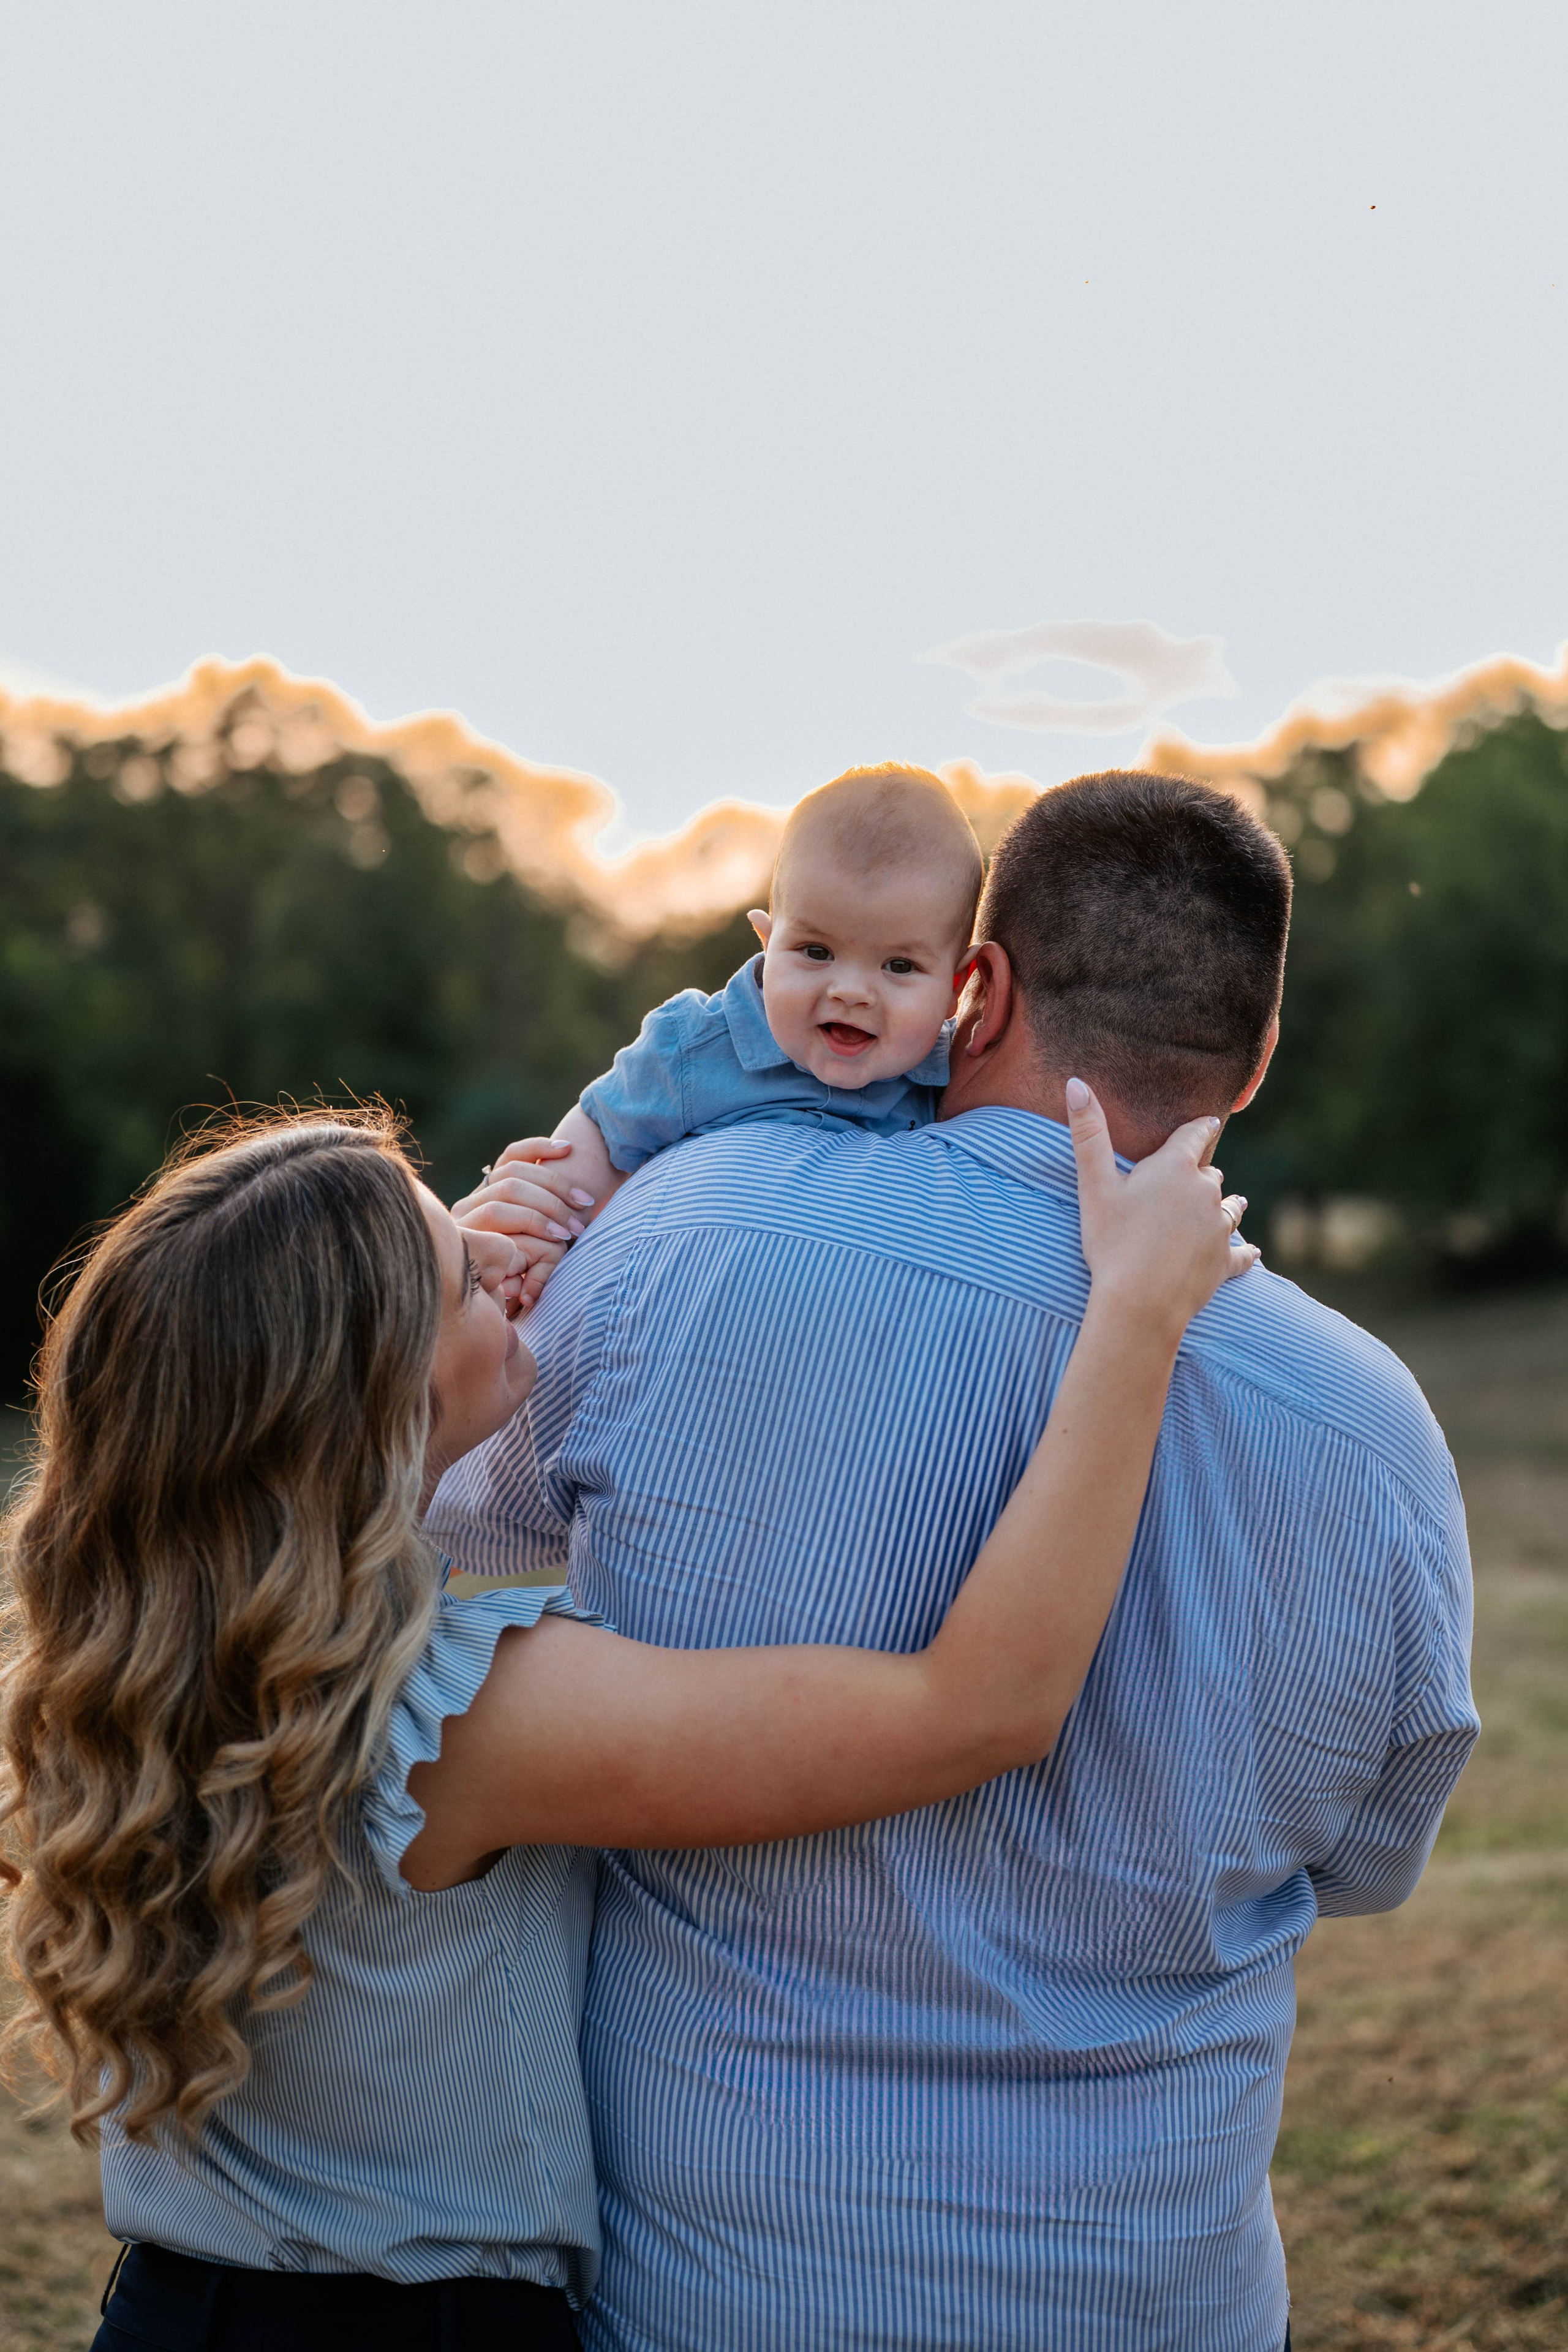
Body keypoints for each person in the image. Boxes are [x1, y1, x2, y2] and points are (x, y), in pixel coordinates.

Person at [437, 769, 1479, 2352]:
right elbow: (1367, 1861)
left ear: (976, 986)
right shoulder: (1371, 1431)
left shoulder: (675, 1238)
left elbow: (448, 1534)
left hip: (718, 2295)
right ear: (1256, 1055)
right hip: (1155, 2302)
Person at [0, 1088, 1249, 2352]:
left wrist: (436, 1281)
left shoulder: (113, 1669)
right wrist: (1138, 1312)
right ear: (377, 1400)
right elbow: (977, 1710)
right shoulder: (461, 1721)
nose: (505, 1260)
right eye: (462, 1274)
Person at [483, 763, 987, 1313]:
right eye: (816, 952)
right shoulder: (697, 1045)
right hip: (683, 1304)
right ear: (767, 943)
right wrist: (546, 1231)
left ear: (956, 986)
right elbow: (603, 1131)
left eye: (899, 965)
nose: (850, 991)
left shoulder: (955, 1079)